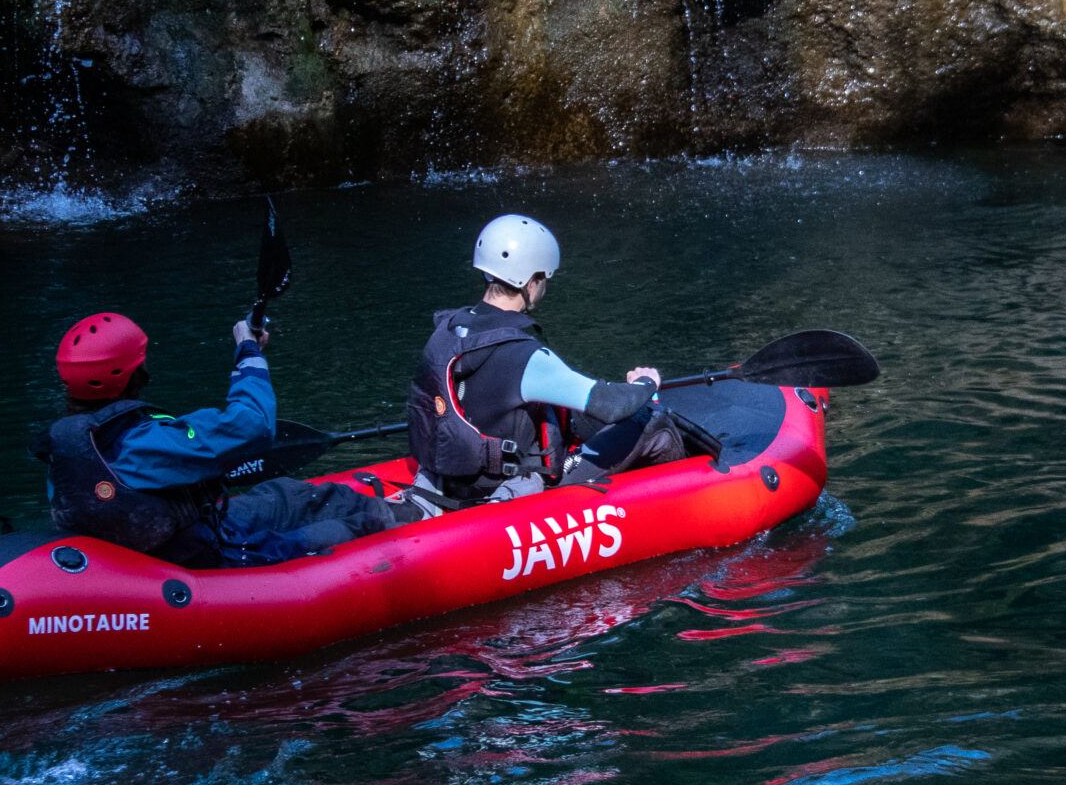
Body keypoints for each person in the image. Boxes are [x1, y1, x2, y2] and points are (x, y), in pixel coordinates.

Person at [36, 311, 419, 567]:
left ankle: (395, 509)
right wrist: (248, 351)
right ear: (131, 375)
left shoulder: (69, 443)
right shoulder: (143, 443)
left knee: (290, 494)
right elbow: (251, 424)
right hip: (202, 555)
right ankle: (417, 518)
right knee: (355, 526)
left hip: (179, 536)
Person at [405, 214, 687, 505]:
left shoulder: (449, 329)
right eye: (543, 279)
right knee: (653, 419)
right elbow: (611, 405)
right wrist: (646, 383)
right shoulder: (525, 356)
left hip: (457, 478)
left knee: (572, 415)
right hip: (510, 489)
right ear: (530, 282)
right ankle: (677, 499)